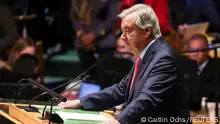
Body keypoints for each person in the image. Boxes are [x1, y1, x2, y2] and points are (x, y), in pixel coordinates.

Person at [58, 4, 190, 124]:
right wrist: (81, 102)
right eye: (122, 31)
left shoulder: (164, 58)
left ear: (147, 31)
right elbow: (121, 89)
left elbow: (147, 99)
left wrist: (118, 121)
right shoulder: (149, 54)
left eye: (128, 30)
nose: (122, 37)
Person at [188, 34, 220, 102]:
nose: (195, 54)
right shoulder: (184, 68)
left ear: (207, 50)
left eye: (198, 50)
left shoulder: (217, 67)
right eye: (191, 50)